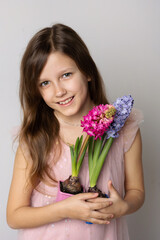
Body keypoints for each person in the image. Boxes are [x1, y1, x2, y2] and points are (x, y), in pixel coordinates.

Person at [7, 23, 145, 240]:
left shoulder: (124, 129)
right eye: (45, 83)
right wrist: (64, 210)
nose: (59, 91)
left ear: (87, 71)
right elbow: (14, 216)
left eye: (66, 75)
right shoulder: (35, 137)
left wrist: (123, 207)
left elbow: (137, 191)